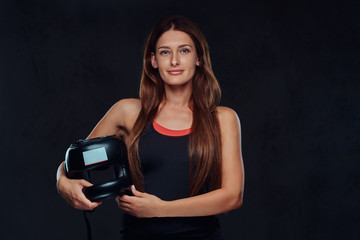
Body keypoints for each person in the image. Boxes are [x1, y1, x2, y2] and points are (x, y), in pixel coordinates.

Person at [56, 15, 244, 239]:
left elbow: (232, 197)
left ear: (198, 58)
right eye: (165, 52)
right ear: (154, 61)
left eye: (184, 51)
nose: (174, 61)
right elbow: (73, 162)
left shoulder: (223, 119)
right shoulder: (127, 112)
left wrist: (161, 209)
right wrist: (62, 183)